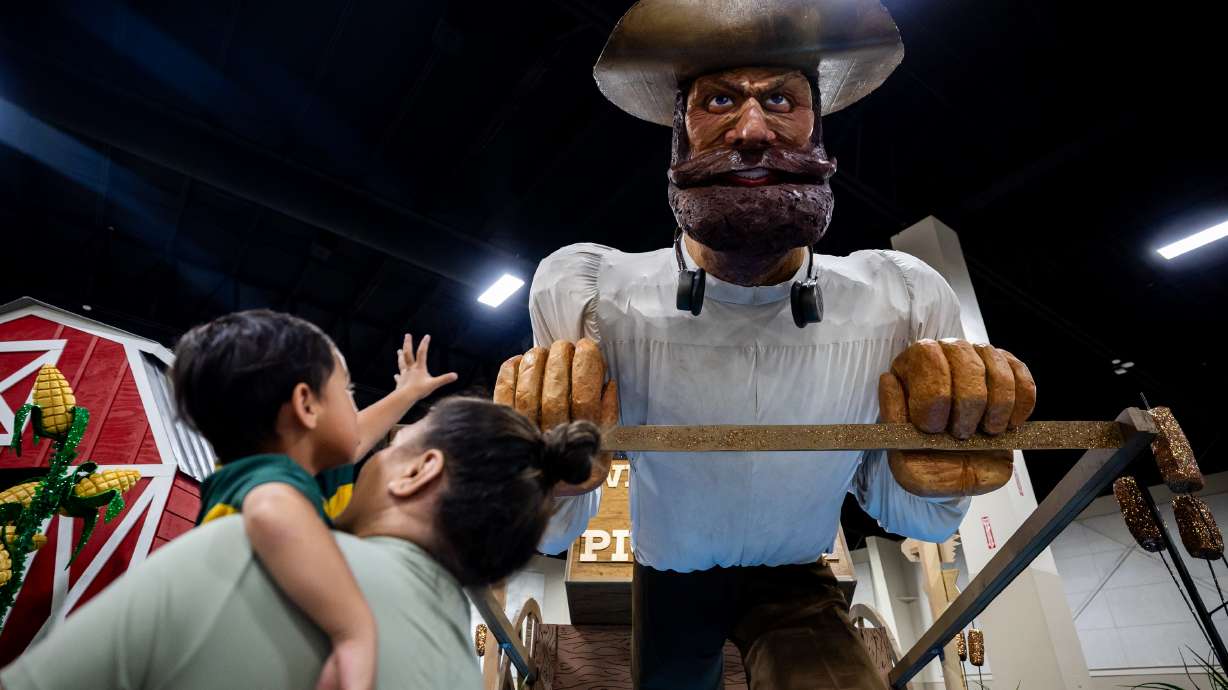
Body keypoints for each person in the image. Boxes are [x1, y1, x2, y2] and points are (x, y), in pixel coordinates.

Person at [511, 1, 1039, 688]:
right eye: (720, 100)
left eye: (781, 100)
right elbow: (554, 533)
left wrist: (939, 480)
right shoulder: (589, 293)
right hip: (672, 571)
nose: (753, 131)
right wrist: (548, 478)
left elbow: (910, 515)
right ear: (679, 136)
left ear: (819, 134)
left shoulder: (900, 297)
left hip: (797, 574)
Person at [0, 397, 601, 689]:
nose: (372, 457)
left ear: (418, 472)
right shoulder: (459, 679)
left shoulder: (245, 556)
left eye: (397, 443)